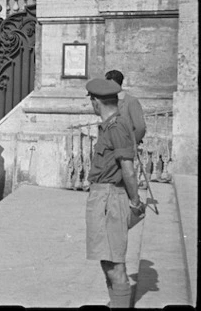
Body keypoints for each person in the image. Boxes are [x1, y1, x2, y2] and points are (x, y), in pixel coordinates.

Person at [84, 78, 144, 308]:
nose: (91, 103)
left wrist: (135, 202)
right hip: (103, 197)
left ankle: (120, 305)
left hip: (110, 198)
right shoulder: (110, 125)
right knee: (107, 260)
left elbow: (128, 170)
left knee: (114, 264)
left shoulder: (116, 126)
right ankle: (116, 303)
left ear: (96, 101)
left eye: (92, 100)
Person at [105, 70, 146, 145]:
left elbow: (140, 128)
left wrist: (131, 142)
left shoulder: (131, 101)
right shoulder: (108, 102)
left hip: (125, 148)